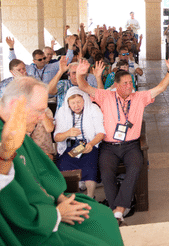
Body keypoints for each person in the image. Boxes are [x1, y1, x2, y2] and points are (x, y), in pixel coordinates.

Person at [0, 77, 123, 245]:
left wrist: (60, 197)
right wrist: (57, 214)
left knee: (103, 216)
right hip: (36, 226)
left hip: (48, 206)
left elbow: (41, 170)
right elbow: (11, 205)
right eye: (39, 111)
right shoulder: (7, 138)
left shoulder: (15, 128)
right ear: (16, 105)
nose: (43, 118)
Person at [76, 53, 169, 225]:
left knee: (136, 167)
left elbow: (160, 88)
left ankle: (118, 209)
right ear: (116, 85)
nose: (129, 86)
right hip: (109, 145)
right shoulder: (106, 96)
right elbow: (84, 87)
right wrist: (80, 74)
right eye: (125, 84)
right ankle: (118, 209)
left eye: (131, 83)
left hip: (131, 145)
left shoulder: (139, 97)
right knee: (106, 172)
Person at [54, 88, 105, 199]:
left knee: (90, 166)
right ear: (68, 103)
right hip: (71, 146)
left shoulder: (92, 109)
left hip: (89, 145)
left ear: (84, 100)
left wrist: (91, 144)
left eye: (79, 102)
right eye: (73, 103)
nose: (76, 106)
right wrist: (67, 133)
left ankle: (91, 197)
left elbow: (101, 133)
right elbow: (57, 137)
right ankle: (70, 199)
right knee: (63, 165)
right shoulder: (63, 111)